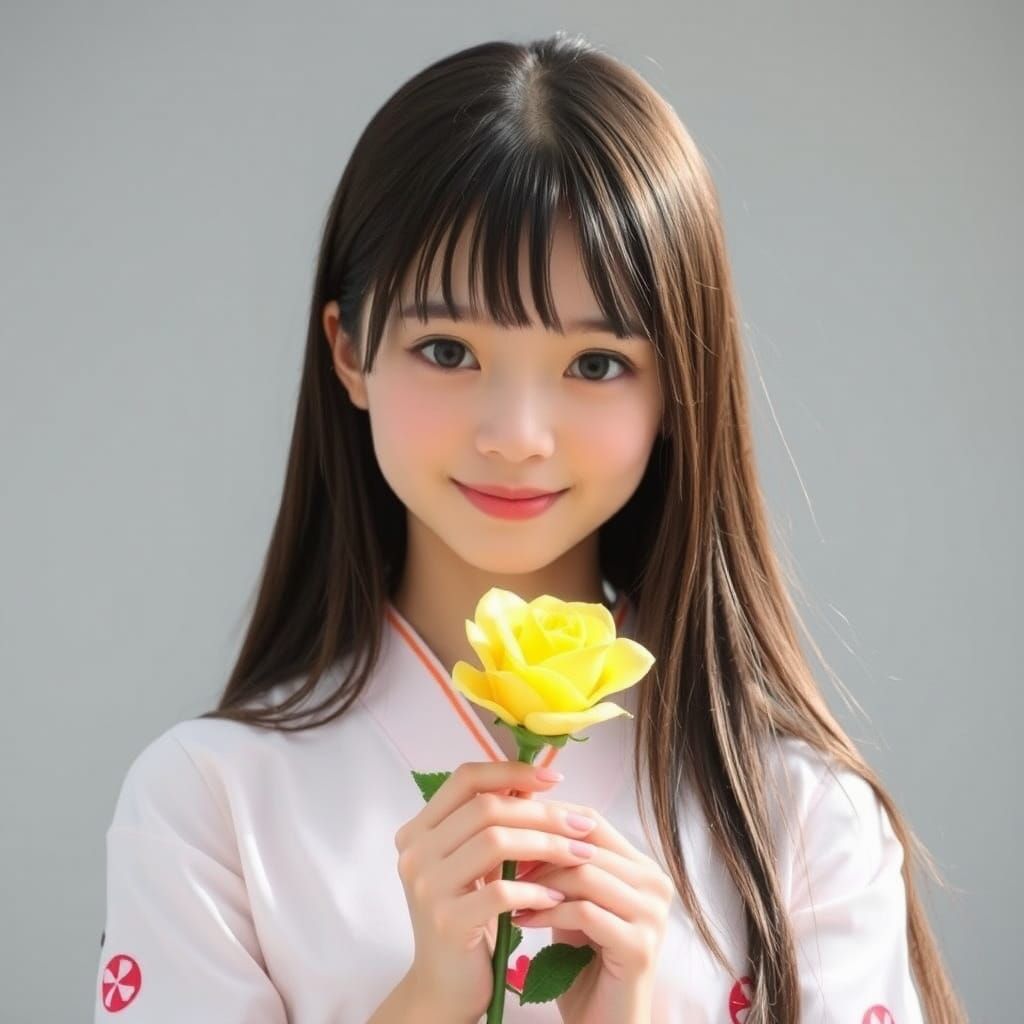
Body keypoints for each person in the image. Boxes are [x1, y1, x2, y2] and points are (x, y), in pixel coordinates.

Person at [93, 32, 966, 1024]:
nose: (514, 435)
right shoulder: (206, 803)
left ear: (680, 380)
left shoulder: (805, 821)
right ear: (348, 352)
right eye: (446, 348)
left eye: (594, 363)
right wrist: (423, 1003)